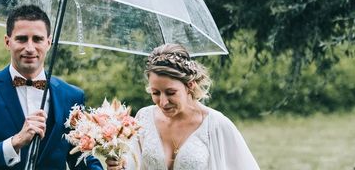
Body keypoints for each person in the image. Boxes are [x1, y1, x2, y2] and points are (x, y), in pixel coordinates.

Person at [0, 4, 103, 170]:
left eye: (38, 39)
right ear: (7, 42)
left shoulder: (71, 96)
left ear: (49, 42)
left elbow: (81, 160)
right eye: (22, 39)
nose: (30, 48)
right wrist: (15, 142)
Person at [106, 43, 260, 170]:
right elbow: (133, 165)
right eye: (155, 93)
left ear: (190, 86)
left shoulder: (216, 125)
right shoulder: (143, 117)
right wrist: (119, 165)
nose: (163, 102)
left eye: (171, 92)